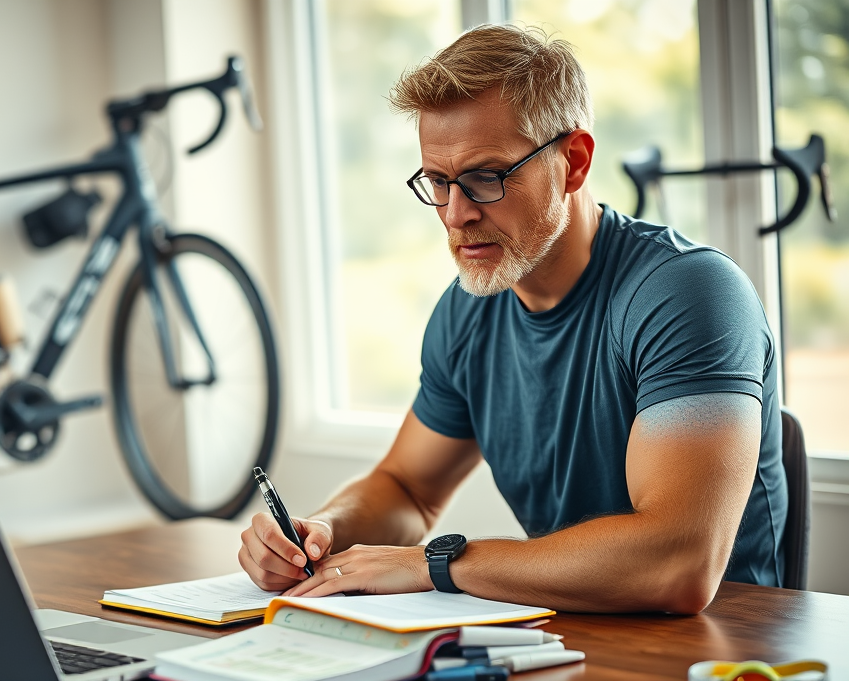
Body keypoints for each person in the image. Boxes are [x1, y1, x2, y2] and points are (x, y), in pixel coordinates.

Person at [239, 24, 787, 613]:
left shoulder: (687, 292)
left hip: (725, 665)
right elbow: (407, 488)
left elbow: (678, 563)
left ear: (573, 163)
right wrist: (320, 530)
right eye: (438, 182)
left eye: (485, 178)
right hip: (563, 643)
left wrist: (434, 563)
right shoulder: (466, 311)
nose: (456, 215)